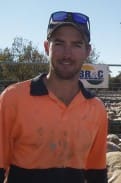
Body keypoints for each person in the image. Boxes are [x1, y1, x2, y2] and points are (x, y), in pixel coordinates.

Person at [0, 11, 108, 183]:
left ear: (87, 51)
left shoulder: (96, 109)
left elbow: (96, 173)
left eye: (76, 45)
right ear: (46, 47)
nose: (67, 53)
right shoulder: (12, 98)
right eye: (59, 43)